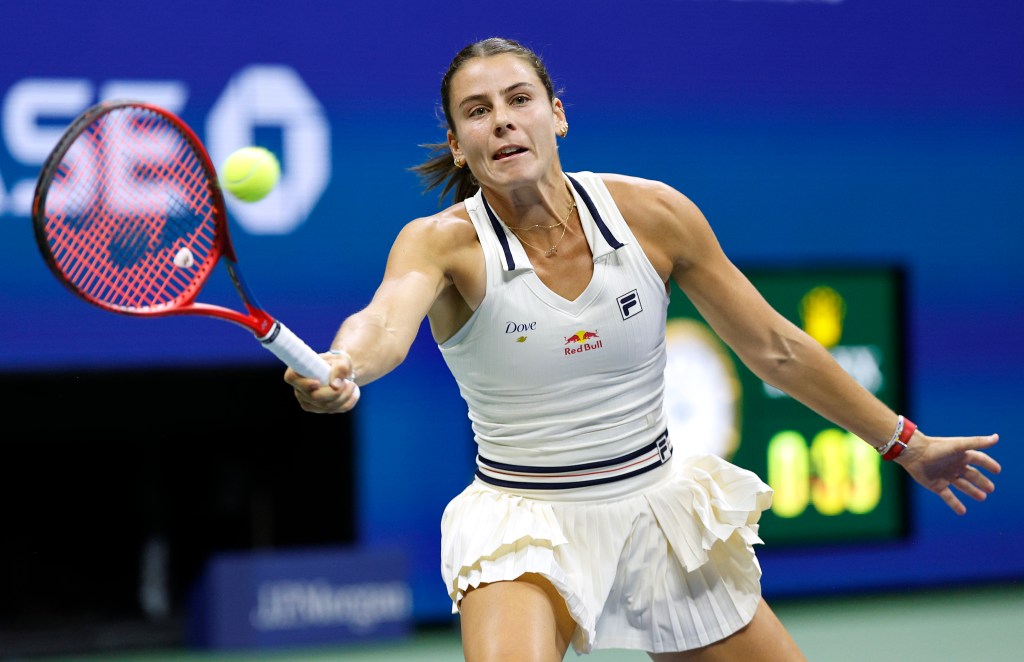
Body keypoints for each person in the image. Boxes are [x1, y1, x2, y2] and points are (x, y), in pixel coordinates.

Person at [284, 37, 1002, 661]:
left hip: (655, 509)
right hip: (523, 519)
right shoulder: (442, 243)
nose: (501, 119)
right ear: (459, 146)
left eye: (518, 99)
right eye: (477, 111)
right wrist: (346, 365)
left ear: (555, 113)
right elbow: (382, 322)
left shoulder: (654, 215)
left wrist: (904, 443)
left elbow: (776, 347)